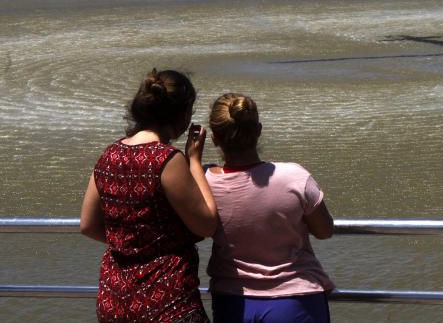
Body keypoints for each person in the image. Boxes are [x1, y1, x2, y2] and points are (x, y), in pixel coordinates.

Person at [80, 69, 217, 323]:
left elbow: (88, 225)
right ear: (182, 114)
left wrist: (130, 245)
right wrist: (195, 162)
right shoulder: (166, 159)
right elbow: (207, 224)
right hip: (167, 302)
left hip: (115, 300)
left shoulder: (109, 155)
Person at [205, 92, 334, 323]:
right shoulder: (294, 176)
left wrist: (193, 161)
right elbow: (324, 230)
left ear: (214, 137)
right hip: (295, 298)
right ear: (258, 131)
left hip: (233, 301)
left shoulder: (205, 184)